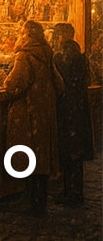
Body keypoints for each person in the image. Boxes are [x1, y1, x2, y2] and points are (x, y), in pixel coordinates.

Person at [3, 20, 63, 215]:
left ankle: (29, 202)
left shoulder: (24, 55)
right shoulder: (47, 53)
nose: (21, 35)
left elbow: (16, 83)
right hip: (44, 112)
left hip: (27, 112)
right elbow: (59, 84)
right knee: (41, 156)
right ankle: (40, 201)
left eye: (23, 32)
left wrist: (6, 82)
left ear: (28, 35)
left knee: (26, 155)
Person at [51, 23, 93, 206]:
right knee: (73, 153)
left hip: (70, 110)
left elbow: (62, 79)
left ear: (64, 35)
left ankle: (73, 193)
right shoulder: (77, 54)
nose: (56, 37)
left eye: (58, 34)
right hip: (76, 110)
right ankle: (72, 191)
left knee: (71, 153)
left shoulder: (67, 55)